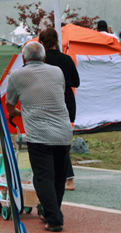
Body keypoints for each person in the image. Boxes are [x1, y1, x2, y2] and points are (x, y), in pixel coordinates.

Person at [5, 41, 72, 233]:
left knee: (43, 177)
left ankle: (54, 219)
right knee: (59, 177)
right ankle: (52, 213)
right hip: (63, 132)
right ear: (44, 58)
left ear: (23, 58)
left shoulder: (17, 75)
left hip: (39, 134)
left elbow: (9, 104)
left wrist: (18, 113)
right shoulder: (57, 71)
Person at [39, 29, 80, 191]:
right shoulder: (67, 59)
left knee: (48, 141)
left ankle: (64, 177)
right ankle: (66, 178)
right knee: (62, 141)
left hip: (48, 102)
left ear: (42, 43)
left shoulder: (42, 61)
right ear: (57, 41)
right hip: (67, 102)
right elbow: (76, 82)